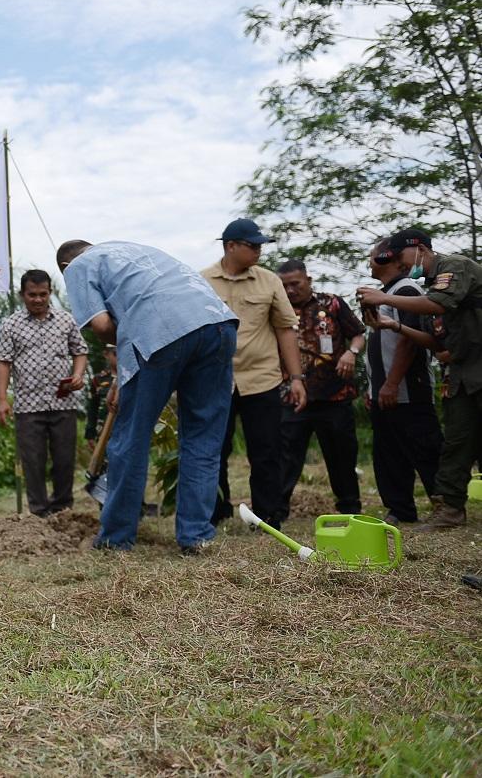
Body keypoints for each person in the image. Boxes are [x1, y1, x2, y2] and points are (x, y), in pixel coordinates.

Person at [57, 240, 238, 552]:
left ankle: (115, 538)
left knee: (130, 440)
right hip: (219, 325)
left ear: (64, 267)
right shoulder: (131, 250)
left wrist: (135, 341)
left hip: (161, 331)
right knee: (203, 438)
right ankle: (196, 537)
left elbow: (101, 325)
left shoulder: (76, 266)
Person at [358, 228, 482, 530]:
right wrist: (393, 325)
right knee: (456, 443)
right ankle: (450, 510)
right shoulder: (427, 290)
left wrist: (385, 298)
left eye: (400, 256)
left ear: (420, 250)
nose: (399, 264)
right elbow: (435, 344)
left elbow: (440, 303)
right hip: (463, 373)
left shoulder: (455, 266)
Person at [201, 218, 305, 528]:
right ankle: (215, 512)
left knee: (267, 450)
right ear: (230, 246)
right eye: (253, 245)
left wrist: (297, 378)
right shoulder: (201, 281)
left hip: (261, 379)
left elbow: (285, 329)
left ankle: (267, 515)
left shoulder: (269, 281)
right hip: (214, 382)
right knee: (214, 450)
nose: (259, 251)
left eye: (261, 245)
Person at [275, 259, 364, 518]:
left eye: (295, 284)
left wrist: (352, 352)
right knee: (285, 459)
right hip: (291, 397)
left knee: (342, 456)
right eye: (284, 286)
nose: (290, 290)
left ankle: (350, 510)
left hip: (334, 395)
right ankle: (275, 513)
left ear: (308, 281)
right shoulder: (277, 309)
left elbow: (358, 333)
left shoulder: (332, 303)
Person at [0, 269, 88, 516]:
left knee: (64, 459)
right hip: (28, 406)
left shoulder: (66, 320)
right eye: (32, 295)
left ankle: (63, 509)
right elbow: (4, 362)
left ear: (50, 293)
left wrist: (78, 375)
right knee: (33, 461)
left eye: (43, 294)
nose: (38, 299)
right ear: (22, 295)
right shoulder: (11, 325)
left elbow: (80, 351)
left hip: (64, 403)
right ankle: (38, 512)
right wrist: (3, 400)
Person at [361, 238, 440, 524]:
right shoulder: (387, 293)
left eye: (374, 256)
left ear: (389, 259)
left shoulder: (406, 290)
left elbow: (410, 342)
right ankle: (401, 510)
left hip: (408, 390)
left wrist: (393, 382)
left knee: (425, 448)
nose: (370, 261)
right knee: (389, 454)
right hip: (383, 391)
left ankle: (445, 506)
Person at [85, 346, 118, 443]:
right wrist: (90, 434)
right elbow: (92, 408)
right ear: (106, 354)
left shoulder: (133, 378)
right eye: (116, 353)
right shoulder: (98, 380)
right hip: (103, 432)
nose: (120, 356)